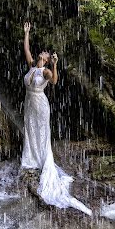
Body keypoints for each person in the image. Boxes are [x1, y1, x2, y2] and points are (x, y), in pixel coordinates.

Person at [21, 22, 92, 216]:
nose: (42, 53)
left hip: (41, 105)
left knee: (42, 132)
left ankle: (44, 160)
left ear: (45, 58)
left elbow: (54, 81)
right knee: (31, 130)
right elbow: (26, 48)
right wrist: (27, 33)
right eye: (42, 52)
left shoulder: (44, 71)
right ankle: (32, 158)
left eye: (45, 53)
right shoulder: (31, 66)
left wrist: (54, 64)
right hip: (29, 104)